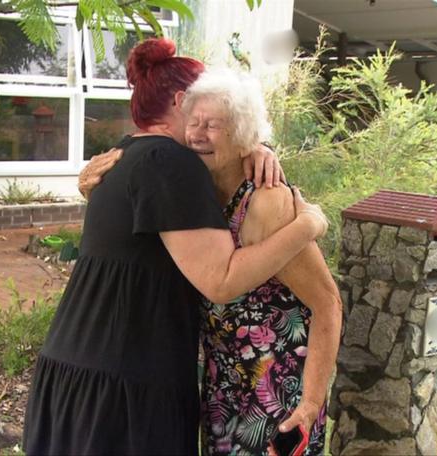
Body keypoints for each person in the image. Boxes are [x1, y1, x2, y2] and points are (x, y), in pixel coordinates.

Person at [23, 38, 329, 455]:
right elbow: (222, 281)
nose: (201, 131)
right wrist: (311, 221)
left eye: (216, 121)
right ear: (183, 102)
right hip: (123, 390)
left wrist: (256, 146)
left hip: (75, 376)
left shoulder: (125, 159)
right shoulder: (171, 164)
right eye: (199, 116)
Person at [182, 69, 342, 455]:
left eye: (214, 125)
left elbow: (328, 303)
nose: (198, 134)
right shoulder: (197, 186)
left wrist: (310, 405)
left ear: (242, 138)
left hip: (277, 392)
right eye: (194, 122)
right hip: (224, 386)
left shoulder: (266, 202)